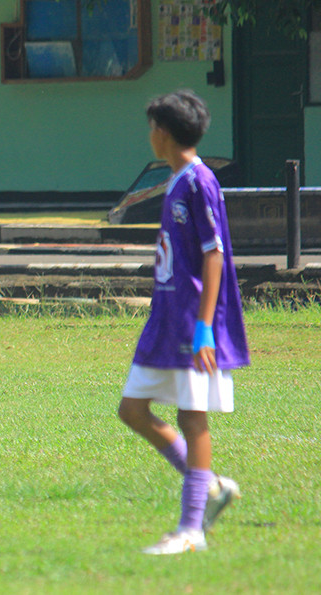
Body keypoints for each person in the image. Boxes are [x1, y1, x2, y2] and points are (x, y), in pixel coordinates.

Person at [117, 90, 248, 555]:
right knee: (131, 410)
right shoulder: (174, 180)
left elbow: (214, 256)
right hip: (165, 318)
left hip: (192, 320)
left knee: (192, 419)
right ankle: (211, 485)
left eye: (152, 126)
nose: (149, 135)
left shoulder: (199, 181)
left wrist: (205, 327)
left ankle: (191, 529)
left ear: (165, 133)